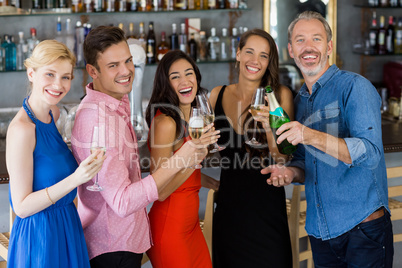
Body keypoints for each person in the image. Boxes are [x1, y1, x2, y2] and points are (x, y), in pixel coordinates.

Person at [71, 26, 218, 268]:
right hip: (113, 247)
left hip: (127, 241)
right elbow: (123, 202)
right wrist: (186, 156)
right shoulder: (100, 120)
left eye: (128, 60)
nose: (126, 70)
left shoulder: (116, 106)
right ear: (92, 71)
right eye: (113, 65)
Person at [262, 11, 394, 267]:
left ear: (329, 46)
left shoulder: (355, 87)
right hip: (321, 232)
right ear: (290, 49)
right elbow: (304, 162)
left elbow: (370, 153)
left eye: (316, 39)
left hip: (362, 230)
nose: (308, 47)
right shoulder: (299, 102)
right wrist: (289, 173)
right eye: (300, 40)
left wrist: (308, 134)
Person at [6, 40, 106, 268]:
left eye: (65, 77)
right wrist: (76, 179)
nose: (58, 85)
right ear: (31, 73)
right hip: (40, 236)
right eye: (49, 74)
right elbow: (21, 207)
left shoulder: (54, 113)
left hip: (67, 225)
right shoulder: (22, 130)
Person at [208, 28, 293, 267]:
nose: (255, 61)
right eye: (249, 52)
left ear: (269, 62)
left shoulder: (279, 96)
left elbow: (283, 160)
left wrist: (268, 127)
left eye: (263, 56)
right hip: (229, 212)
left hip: (266, 212)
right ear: (237, 54)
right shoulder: (217, 95)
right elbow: (207, 146)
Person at [145, 50, 219, 268]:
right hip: (170, 227)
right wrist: (196, 155)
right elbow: (160, 191)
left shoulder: (193, 117)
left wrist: (214, 184)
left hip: (191, 225)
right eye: (175, 76)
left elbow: (188, 174)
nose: (185, 81)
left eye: (189, 73)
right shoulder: (166, 122)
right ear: (165, 83)